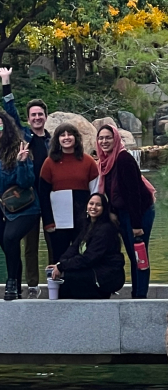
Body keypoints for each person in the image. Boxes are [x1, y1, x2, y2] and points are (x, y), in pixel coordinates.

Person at [0, 110, 41, 301]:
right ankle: (16, 288)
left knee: (10, 238)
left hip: (24, 207)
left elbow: (26, 182)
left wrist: (22, 162)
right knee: (8, 247)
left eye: (0, 126)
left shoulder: (17, 150)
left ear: (7, 129)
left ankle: (11, 281)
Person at [0, 67, 51, 292]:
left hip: (51, 197)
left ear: (46, 117)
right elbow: (10, 113)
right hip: (29, 199)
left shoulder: (54, 140)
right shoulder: (25, 136)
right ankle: (31, 285)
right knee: (30, 245)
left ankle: (55, 282)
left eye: (41, 114)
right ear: (29, 119)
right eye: (33, 115)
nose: (37, 118)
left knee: (53, 242)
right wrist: (6, 82)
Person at [96, 124, 156, 299]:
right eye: (101, 138)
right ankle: (136, 293)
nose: (104, 141)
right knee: (132, 254)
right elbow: (111, 191)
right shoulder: (106, 161)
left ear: (115, 139)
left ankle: (140, 296)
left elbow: (133, 194)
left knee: (139, 254)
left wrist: (137, 225)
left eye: (108, 137)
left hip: (138, 212)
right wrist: (112, 211)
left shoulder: (123, 159)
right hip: (123, 212)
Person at [39, 123, 99, 265]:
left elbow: (96, 193)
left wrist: (93, 219)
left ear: (76, 138)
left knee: (82, 255)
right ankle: (58, 287)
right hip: (58, 222)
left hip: (82, 219)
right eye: (62, 135)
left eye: (70, 134)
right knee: (59, 258)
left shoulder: (89, 162)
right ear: (57, 139)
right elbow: (43, 195)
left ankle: (80, 286)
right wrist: (48, 221)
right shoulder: (49, 163)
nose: (66, 138)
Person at [47, 193, 125, 299]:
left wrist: (62, 267)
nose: (93, 207)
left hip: (107, 275)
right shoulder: (87, 226)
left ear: (104, 208)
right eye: (91, 203)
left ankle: (99, 295)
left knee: (70, 277)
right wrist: (59, 264)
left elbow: (89, 258)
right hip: (93, 269)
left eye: (98, 205)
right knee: (64, 280)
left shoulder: (105, 229)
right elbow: (73, 249)